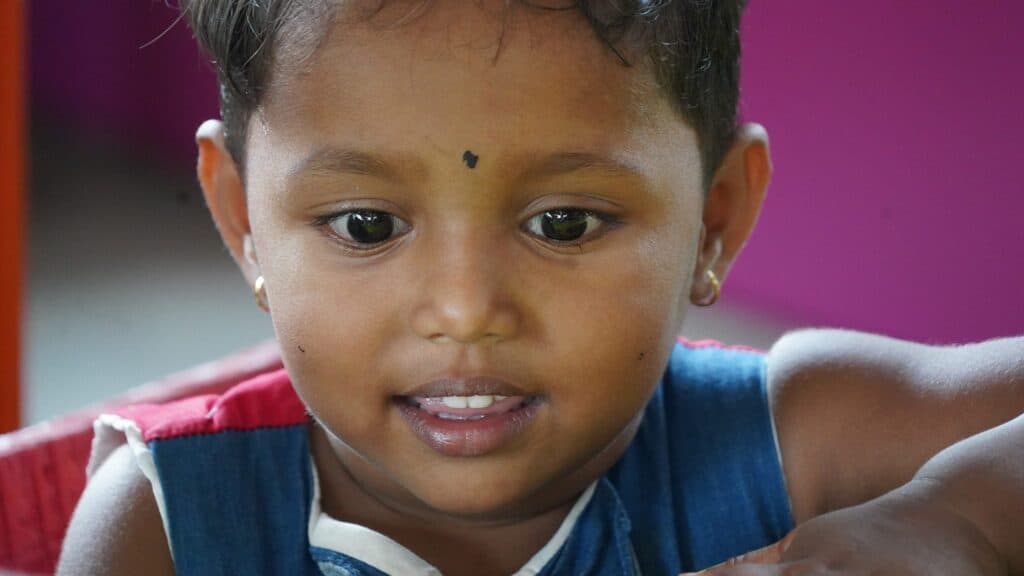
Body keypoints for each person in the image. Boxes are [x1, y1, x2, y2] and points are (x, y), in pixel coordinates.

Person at [57, 1, 1023, 575]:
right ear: (243, 221)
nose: (467, 310)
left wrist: (962, 515)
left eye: (563, 223)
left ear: (714, 220)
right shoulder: (165, 527)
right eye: (366, 226)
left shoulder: (792, 437)